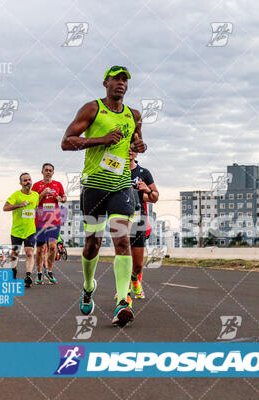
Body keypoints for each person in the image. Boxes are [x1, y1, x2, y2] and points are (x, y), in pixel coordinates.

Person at [61, 65, 146, 327]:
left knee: (122, 241)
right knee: (93, 243)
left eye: (125, 80)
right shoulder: (92, 109)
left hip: (121, 187)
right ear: (105, 83)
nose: (121, 83)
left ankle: (122, 301)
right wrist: (100, 140)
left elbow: (135, 143)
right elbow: (66, 141)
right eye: (116, 79)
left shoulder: (134, 115)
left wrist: (139, 146)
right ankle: (88, 286)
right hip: (94, 187)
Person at [128, 148, 158, 299]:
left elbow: (155, 197)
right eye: (126, 149)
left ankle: (135, 279)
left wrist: (147, 189)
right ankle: (124, 291)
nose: (129, 152)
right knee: (123, 255)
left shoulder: (143, 172)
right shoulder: (116, 172)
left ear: (136, 153)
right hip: (120, 218)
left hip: (139, 219)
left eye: (132, 149)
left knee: (138, 263)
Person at [32, 163, 66, 284]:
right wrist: (42, 193)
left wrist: (60, 199)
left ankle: (49, 271)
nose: (48, 172)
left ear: (53, 172)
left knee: (52, 246)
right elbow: (34, 202)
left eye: (50, 170)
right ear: (42, 172)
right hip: (40, 221)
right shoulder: (36, 185)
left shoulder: (58, 185)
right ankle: (40, 273)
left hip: (54, 220)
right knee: (40, 249)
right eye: (46, 170)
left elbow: (64, 198)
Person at [3, 173, 39, 287]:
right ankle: (13, 270)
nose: (28, 182)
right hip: (17, 231)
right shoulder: (16, 195)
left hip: (30, 230)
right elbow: (5, 208)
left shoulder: (35, 195)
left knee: (29, 253)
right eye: (25, 180)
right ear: (21, 183)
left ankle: (28, 276)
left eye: (29, 179)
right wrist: (19, 205)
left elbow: (35, 208)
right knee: (15, 254)